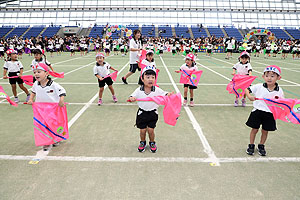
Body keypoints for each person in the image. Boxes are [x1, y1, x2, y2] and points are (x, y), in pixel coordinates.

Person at [128, 66, 172, 153]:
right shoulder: (139, 90)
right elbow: (132, 96)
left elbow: (164, 94)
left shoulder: (156, 89)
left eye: (153, 77)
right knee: (143, 131)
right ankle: (142, 142)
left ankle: (152, 142)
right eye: (147, 77)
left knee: (151, 130)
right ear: (142, 79)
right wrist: (132, 98)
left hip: (153, 113)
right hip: (142, 114)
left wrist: (168, 94)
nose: (150, 79)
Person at [245, 65, 284, 156]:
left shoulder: (279, 90)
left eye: (272, 76)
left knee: (265, 131)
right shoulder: (259, 86)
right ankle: (251, 145)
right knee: (254, 129)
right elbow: (247, 89)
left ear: (279, 77)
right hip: (257, 112)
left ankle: (261, 145)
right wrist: (250, 96)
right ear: (263, 77)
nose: (269, 78)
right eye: (267, 76)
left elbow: (281, 102)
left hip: (270, 114)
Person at [27, 63, 66, 151]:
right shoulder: (36, 84)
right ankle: (47, 141)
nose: (36, 74)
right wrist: (31, 99)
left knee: (52, 125)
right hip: (40, 110)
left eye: (39, 72)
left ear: (46, 73)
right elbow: (33, 92)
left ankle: (55, 138)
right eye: (34, 72)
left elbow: (62, 92)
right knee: (42, 125)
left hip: (52, 110)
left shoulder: (53, 85)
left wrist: (61, 100)